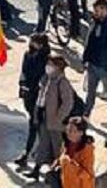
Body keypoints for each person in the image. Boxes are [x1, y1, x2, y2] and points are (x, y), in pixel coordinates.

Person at [23, 53, 73, 181]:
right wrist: (37, 114)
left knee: (57, 149)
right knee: (43, 145)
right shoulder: (48, 79)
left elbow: (67, 103)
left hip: (55, 123)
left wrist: (58, 117)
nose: (48, 66)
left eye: (51, 64)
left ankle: (60, 175)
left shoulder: (62, 82)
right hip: (45, 118)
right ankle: (36, 170)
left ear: (58, 67)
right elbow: (41, 98)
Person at [82, 0, 107, 116]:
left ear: (105, 9)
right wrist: (85, 59)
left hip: (106, 67)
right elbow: (89, 42)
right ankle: (86, 114)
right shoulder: (95, 23)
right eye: (95, 10)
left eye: (98, 10)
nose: (96, 13)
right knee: (90, 93)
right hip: (93, 64)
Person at [15, 32, 50, 169]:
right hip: (28, 93)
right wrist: (22, 84)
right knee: (34, 122)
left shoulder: (45, 59)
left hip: (38, 96)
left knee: (36, 125)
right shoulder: (28, 54)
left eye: (34, 42)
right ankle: (32, 153)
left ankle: (30, 154)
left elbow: (43, 77)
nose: (31, 44)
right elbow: (23, 71)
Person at [57, 116, 95, 188]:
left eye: (71, 130)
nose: (68, 133)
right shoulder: (66, 143)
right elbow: (61, 159)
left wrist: (69, 164)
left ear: (81, 133)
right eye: (68, 130)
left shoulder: (87, 150)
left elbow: (87, 175)